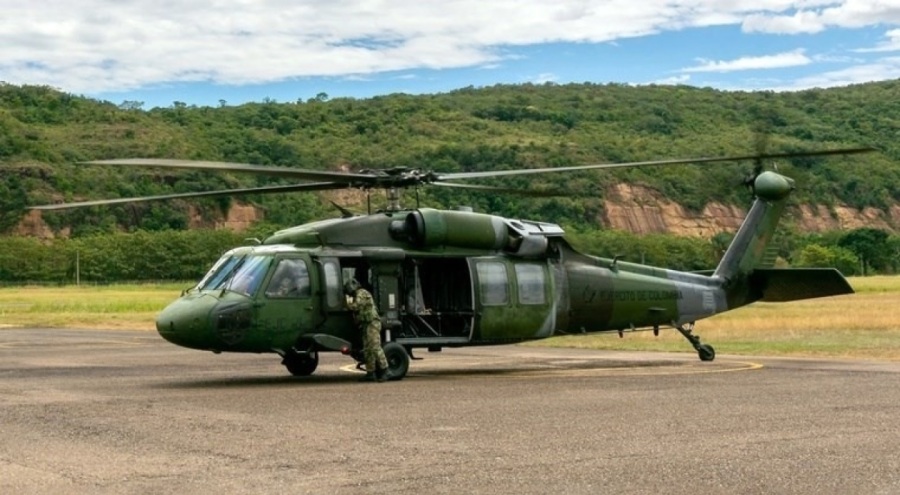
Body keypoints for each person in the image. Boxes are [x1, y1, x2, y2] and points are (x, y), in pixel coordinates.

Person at [344, 278, 390, 382]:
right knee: (367, 349)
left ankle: (385, 370)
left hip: (372, 323)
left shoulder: (361, 293)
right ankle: (370, 373)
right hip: (365, 324)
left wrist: (347, 302)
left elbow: (356, 306)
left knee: (375, 347)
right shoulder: (357, 295)